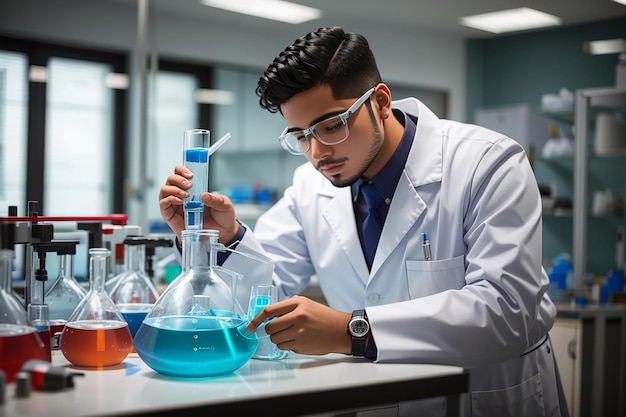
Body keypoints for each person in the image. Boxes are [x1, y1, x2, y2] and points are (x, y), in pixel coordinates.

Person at [159, 26, 568, 416]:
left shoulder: (488, 163)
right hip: (374, 399)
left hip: (485, 399)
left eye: (332, 125)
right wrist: (218, 239)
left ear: (381, 102)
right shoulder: (309, 187)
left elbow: (508, 312)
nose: (317, 152)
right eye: (300, 135)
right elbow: (265, 297)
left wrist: (351, 331)